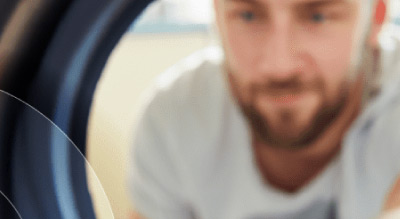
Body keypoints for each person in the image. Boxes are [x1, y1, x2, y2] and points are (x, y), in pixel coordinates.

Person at [128, 0, 400, 218]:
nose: (279, 66)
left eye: (318, 17)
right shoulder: (172, 121)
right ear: (217, 18)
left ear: (376, 18)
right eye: (248, 15)